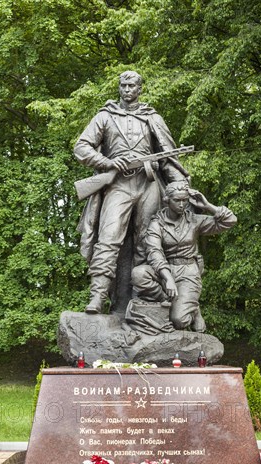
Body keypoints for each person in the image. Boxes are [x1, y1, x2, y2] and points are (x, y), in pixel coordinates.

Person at [74, 71, 188, 313]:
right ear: (119, 88)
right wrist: (107, 162)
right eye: (123, 86)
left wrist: (181, 186)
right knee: (108, 238)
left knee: (148, 242)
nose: (127, 90)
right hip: (118, 185)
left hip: (148, 184)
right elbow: (81, 147)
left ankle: (141, 299)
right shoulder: (104, 116)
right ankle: (97, 297)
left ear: (140, 89)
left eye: (131, 86)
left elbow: (168, 158)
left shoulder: (152, 117)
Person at [131, 180, 237, 332]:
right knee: (138, 274)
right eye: (177, 200)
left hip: (188, 272)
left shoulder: (193, 220)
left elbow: (230, 221)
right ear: (167, 200)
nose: (182, 204)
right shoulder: (157, 223)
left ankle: (193, 309)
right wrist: (167, 278)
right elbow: (154, 252)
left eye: (184, 200)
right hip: (165, 270)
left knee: (180, 321)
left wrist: (207, 206)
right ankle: (169, 301)